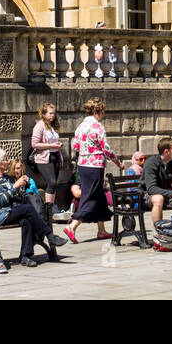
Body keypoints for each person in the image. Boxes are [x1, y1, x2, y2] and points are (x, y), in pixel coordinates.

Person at [65, 97, 119, 244]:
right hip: (95, 166)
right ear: (97, 111)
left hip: (83, 165)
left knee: (99, 196)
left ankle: (101, 230)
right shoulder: (97, 127)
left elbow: (75, 146)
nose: (103, 115)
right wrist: (117, 162)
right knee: (90, 197)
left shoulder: (80, 126)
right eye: (102, 112)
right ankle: (73, 225)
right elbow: (106, 149)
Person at [0, 148, 49, 267]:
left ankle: (25, 256)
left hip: (13, 211)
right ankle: (48, 234)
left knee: (26, 220)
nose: (8, 162)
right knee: (27, 209)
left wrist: (24, 185)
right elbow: (0, 201)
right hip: (0, 215)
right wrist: (15, 187)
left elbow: (19, 198)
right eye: (6, 159)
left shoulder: (8, 178)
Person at [31, 103, 65, 215]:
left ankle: (51, 208)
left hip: (55, 156)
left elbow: (55, 143)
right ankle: (49, 210)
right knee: (52, 182)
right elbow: (34, 144)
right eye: (50, 113)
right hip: (44, 158)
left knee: (54, 185)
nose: (52, 116)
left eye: (54, 113)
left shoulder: (53, 126)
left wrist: (60, 155)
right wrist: (52, 146)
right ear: (44, 114)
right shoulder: (40, 126)